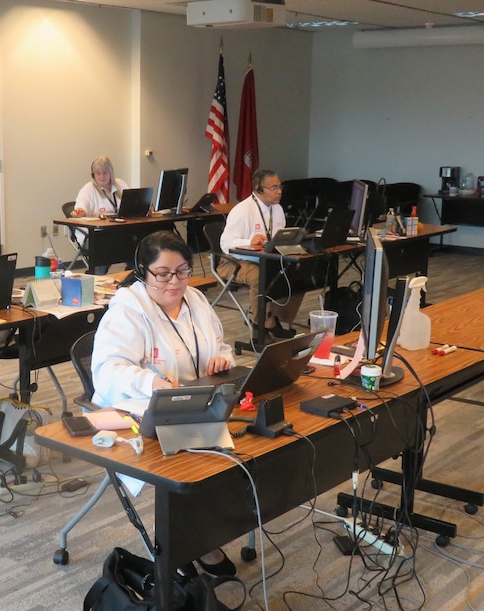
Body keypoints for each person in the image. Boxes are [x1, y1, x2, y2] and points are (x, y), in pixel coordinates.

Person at [90, 230, 237, 577]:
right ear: (143, 271)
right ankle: (185, 542)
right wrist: (151, 381)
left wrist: (222, 360)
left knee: (241, 449)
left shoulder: (197, 301)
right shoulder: (127, 310)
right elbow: (107, 371)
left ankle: (201, 533)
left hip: (196, 402)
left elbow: (220, 345)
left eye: (183, 271)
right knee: (191, 461)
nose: (174, 281)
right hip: (138, 409)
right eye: (163, 274)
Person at [218, 168, 304, 339]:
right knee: (260, 275)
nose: (279, 191)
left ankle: (275, 317)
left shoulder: (277, 209)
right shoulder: (242, 210)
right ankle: (260, 323)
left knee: (297, 270)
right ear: (259, 189)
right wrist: (248, 242)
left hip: (267, 258)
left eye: (279, 187)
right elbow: (225, 243)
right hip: (233, 260)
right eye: (273, 187)